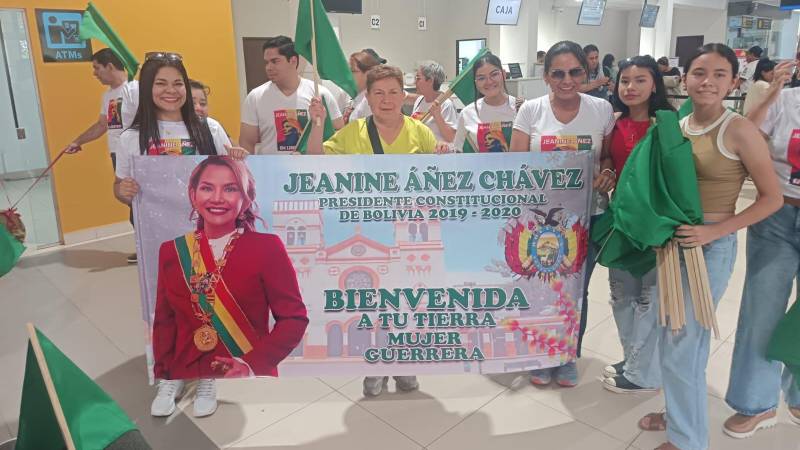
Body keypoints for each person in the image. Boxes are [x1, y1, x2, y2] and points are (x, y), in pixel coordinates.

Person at [636, 43, 782, 450]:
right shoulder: (680, 126)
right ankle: (679, 413)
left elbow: (769, 198)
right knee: (674, 336)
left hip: (709, 248)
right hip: (672, 247)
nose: (708, 82)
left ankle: (687, 441)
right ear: (685, 78)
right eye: (700, 72)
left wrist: (715, 234)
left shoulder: (738, 130)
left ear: (735, 82)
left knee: (684, 343)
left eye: (720, 74)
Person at [307, 65, 445, 396]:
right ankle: (376, 365)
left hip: (407, 237)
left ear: (404, 95)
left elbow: (437, 183)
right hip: (368, 235)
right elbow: (314, 162)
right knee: (373, 306)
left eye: (393, 92)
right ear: (367, 96)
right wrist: (316, 126)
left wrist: (442, 157)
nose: (386, 100)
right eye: (378, 93)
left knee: (408, 305)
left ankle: (404, 363)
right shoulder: (352, 133)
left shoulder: (419, 132)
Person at [152, 155, 309, 417]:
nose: (217, 198)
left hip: (242, 359)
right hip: (186, 358)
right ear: (193, 195)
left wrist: (250, 364)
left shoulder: (266, 247)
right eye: (207, 188)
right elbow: (165, 321)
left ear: (246, 198)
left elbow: (294, 319)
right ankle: (175, 379)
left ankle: (209, 381)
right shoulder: (172, 251)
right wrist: (162, 370)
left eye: (230, 188)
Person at [509, 41, 617, 387]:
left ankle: (568, 354)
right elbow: (514, 164)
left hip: (588, 218)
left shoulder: (600, 109)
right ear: (545, 76)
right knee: (541, 288)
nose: (567, 80)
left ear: (586, 73)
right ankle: (542, 353)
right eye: (558, 73)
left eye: (575, 72)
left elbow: (609, 157)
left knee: (575, 290)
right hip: (539, 222)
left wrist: (607, 173)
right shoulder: (531, 112)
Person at [723, 59, 800, 439]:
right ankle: (756, 403)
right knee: (761, 309)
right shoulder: (786, 100)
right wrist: (771, 94)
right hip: (778, 217)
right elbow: (744, 134)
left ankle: (799, 394)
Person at [114, 54, 247, 261]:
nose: (171, 90)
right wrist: (123, 190)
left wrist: (239, 162)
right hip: (159, 238)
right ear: (147, 89)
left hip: (211, 234)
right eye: (160, 83)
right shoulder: (131, 138)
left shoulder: (210, 128)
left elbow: (235, 181)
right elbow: (120, 188)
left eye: (178, 83)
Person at [601, 56, 674, 394]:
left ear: (654, 84)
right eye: (624, 80)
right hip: (623, 221)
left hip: (658, 227)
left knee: (650, 298)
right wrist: (606, 169)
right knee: (621, 295)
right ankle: (634, 358)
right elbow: (607, 157)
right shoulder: (613, 123)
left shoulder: (669, 124)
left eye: (639, 80)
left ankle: (643, 372)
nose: (630, 87)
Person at [239, 35, 343, 154]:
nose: (268, 67)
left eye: (275, 61)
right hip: (271, 170)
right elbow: (247, 142)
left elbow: (339, 133)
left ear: (293, 61)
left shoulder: (320, 94)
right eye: (267, 62)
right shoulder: (256, 97)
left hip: (310, 169)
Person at [64, 48, 139, 162]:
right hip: (117, 155)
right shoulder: (108, 96)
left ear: (109, 67)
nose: (94, 73)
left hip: (135, 155)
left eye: (97, 68)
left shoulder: (135, 89)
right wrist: (77, 142)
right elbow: (102, 125)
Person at [452, 52, 518, 153]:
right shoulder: (467, 113)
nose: (489, 82)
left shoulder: (522, 108)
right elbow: (457, 150)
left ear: (504, 74)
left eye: (494, 74)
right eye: (481, 78)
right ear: (476, 82)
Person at [411, 60, 458, 143]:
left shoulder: (446, 104)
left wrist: (438, 116)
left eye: (418, 78)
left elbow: (451, 137)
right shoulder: (419, 100)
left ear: (430, 80)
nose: (415, 82)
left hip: (438, 154)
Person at [344, 49, 385, 123]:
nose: (348, 75)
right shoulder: (356, 97)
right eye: (347, 71)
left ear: (368, 73)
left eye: (353, 71)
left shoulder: (370, 102)